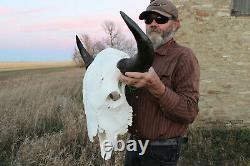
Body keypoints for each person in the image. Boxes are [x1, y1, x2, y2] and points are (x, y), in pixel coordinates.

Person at [119, 0, 200, 165]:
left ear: (176, 25)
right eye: (148, 20)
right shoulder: (137, 58)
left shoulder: (184, 57)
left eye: (161, 19)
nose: (153, 24)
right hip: (134, 143)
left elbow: (190, 112)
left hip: (161, 150)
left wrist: (157, 87)